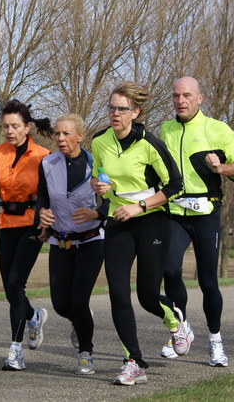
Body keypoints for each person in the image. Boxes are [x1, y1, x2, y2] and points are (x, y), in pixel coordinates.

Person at [91, 81, 190, 386]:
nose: (114, 114)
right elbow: (98, 178)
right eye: (111, 107)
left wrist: (139, 206)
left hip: (151, 220)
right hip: (118, 220)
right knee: (118, 294)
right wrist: (99, 186)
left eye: (121, 109)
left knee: (147, 296)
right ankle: (133, 362)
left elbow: (175, 186)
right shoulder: (99, 141)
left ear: (135, 112)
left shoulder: (150, 143)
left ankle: (175, 320)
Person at [159, 76, 234, 367]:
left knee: (208, 282)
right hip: (175, 213)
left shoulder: (217, 129)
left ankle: (215, 341)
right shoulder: (165, 130)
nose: (181, 100)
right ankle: (182, 331)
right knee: (169, 269)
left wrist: (221, 167)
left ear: (199, 99)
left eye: (187, 95)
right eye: (176, 96)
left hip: (207, 215)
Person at [0, 99, 53, 371]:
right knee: (10, 290)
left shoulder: (43, 155)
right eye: (5, 126)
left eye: (15, 126)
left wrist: (47, 221)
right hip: (4, 224)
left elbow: (51, 192)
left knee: (16, 284)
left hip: (32, 224)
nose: (9, 131)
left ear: (27, 127)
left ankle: (15, 351)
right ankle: (33, 316)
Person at [36, 114, 107, 375]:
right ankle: (81, 322)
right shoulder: (47, 163)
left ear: (80, 136)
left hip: (90, 241)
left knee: (78, 299)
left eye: (66, 134)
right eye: (57, 133)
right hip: (60, 241)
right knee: (60, 304)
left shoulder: (96, 165)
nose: (60, 138)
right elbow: (42, 196)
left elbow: (114, 198)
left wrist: (97, 213)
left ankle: (86, 352)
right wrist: (41, 216)